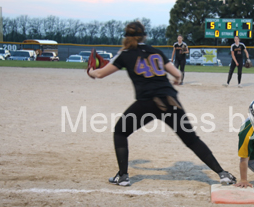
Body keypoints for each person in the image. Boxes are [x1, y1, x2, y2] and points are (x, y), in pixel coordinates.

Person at [88, 21, 236, 186]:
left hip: (147, 103)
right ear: (144, 36)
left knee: (120, 132)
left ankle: (123, 176)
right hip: (170, 101)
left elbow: (100, 74)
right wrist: (177, 80)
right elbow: (177, 73)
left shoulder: (125, 54)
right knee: (192, 140)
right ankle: (223, 174)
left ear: (126, 37)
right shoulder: (156, 52)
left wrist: (90, 71)